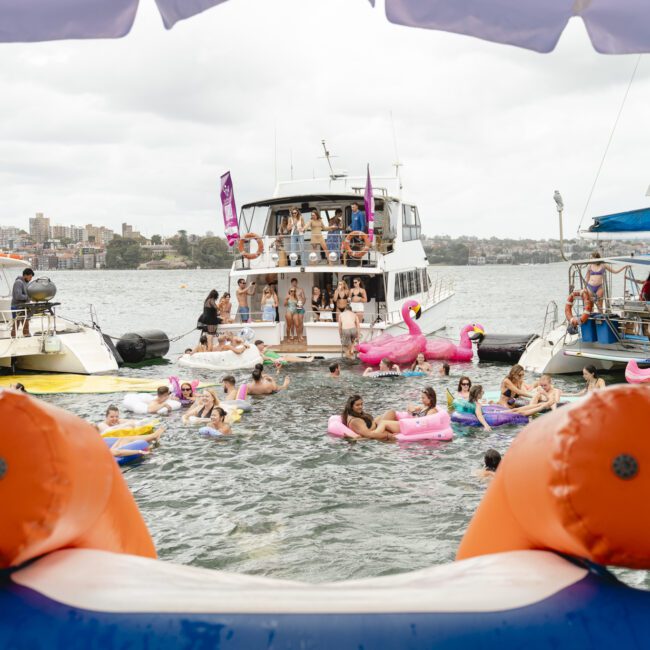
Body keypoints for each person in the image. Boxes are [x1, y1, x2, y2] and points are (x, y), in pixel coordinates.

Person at [11, 267, 34, 338]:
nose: (31, 279)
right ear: (25, 275)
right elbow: (18, 296)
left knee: (26, 322)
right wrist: (28, 297)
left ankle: (26, 335)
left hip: (23, 306)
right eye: (30, 277)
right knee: (16, 323)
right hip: (17, 306)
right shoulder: (18, 282)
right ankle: (13, 337)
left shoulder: (26, 283)